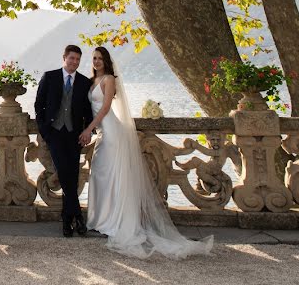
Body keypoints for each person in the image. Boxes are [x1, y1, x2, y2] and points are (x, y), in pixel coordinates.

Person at [80, 46, 214, 258]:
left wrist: (88, 129)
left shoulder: (109, 79)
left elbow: (105, 109)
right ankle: (100, 219)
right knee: (100, 174)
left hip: (112, 132)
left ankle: (115, 221)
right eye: (94, 58)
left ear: (106, 60)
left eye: (100, 58)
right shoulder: (91, 81)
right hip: (102, 133)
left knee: (115, 176)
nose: (96, 61)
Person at [34, 44, 94, 237]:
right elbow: (39, 105)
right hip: (55, 135)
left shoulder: (84, 82)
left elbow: (88, 111)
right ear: (64, 58)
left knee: (72, 176)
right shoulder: (49, 77)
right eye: (72, 58)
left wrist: (87, 130)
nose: (74, 62)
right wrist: (45, 131)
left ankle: (69, 218)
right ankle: (76, 217)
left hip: (74, 136)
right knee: (65, 174)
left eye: (77, 59)